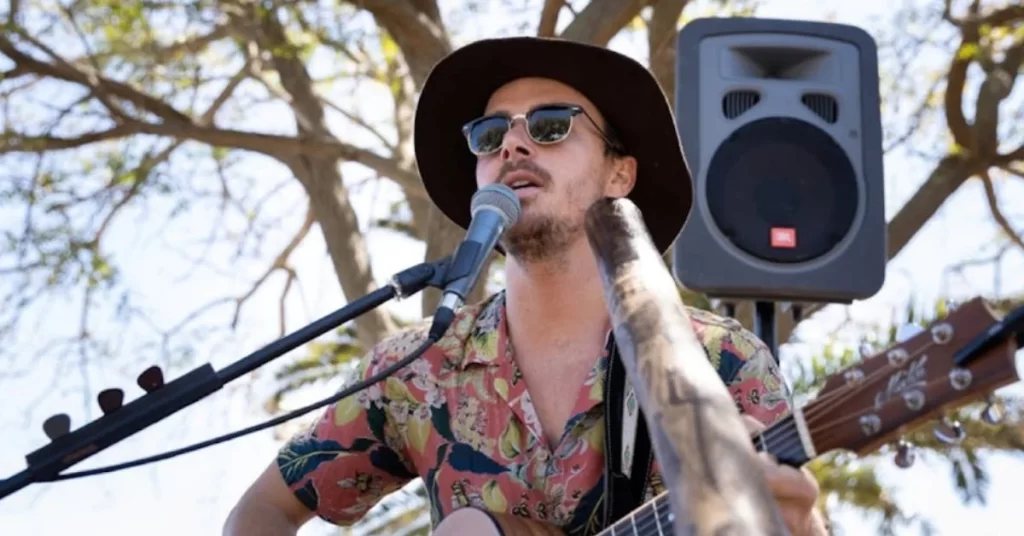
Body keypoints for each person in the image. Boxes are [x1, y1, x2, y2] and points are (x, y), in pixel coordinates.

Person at [223, 37, 828, 536]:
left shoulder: (719, 358)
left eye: (551, 125)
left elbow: (795, 512)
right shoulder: (418, 368)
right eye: (489, 136)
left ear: (620, 172)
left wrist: (799, 526)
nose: (513, 143)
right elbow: (261, 512)